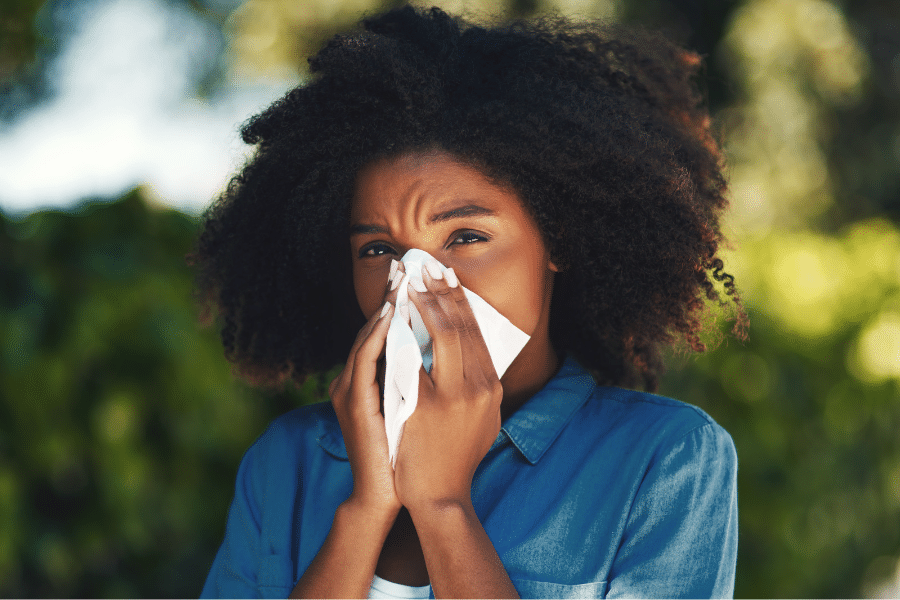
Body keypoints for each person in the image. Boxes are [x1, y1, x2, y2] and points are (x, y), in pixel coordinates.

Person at [191, 5, 748, 599]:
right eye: (380, 249)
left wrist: (442, 504)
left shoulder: (665, 459)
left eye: (465, 237)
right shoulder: (287, 463)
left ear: (556, 240)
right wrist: (366, 508)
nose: (418, 281)